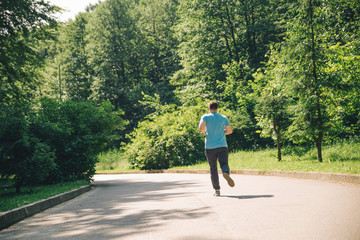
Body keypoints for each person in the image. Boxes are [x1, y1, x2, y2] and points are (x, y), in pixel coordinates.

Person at [199, 101, 234, 197]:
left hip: (210, 147)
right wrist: (223, 132)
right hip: (222, 145)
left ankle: (217, 190)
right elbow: (230, 130)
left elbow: (201, 127)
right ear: (217, 108)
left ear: (209, 108)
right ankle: (225, 173)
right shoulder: (223, 117)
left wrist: (204, 132)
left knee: (213, 168)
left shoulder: (205, 117)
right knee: (224, 163)